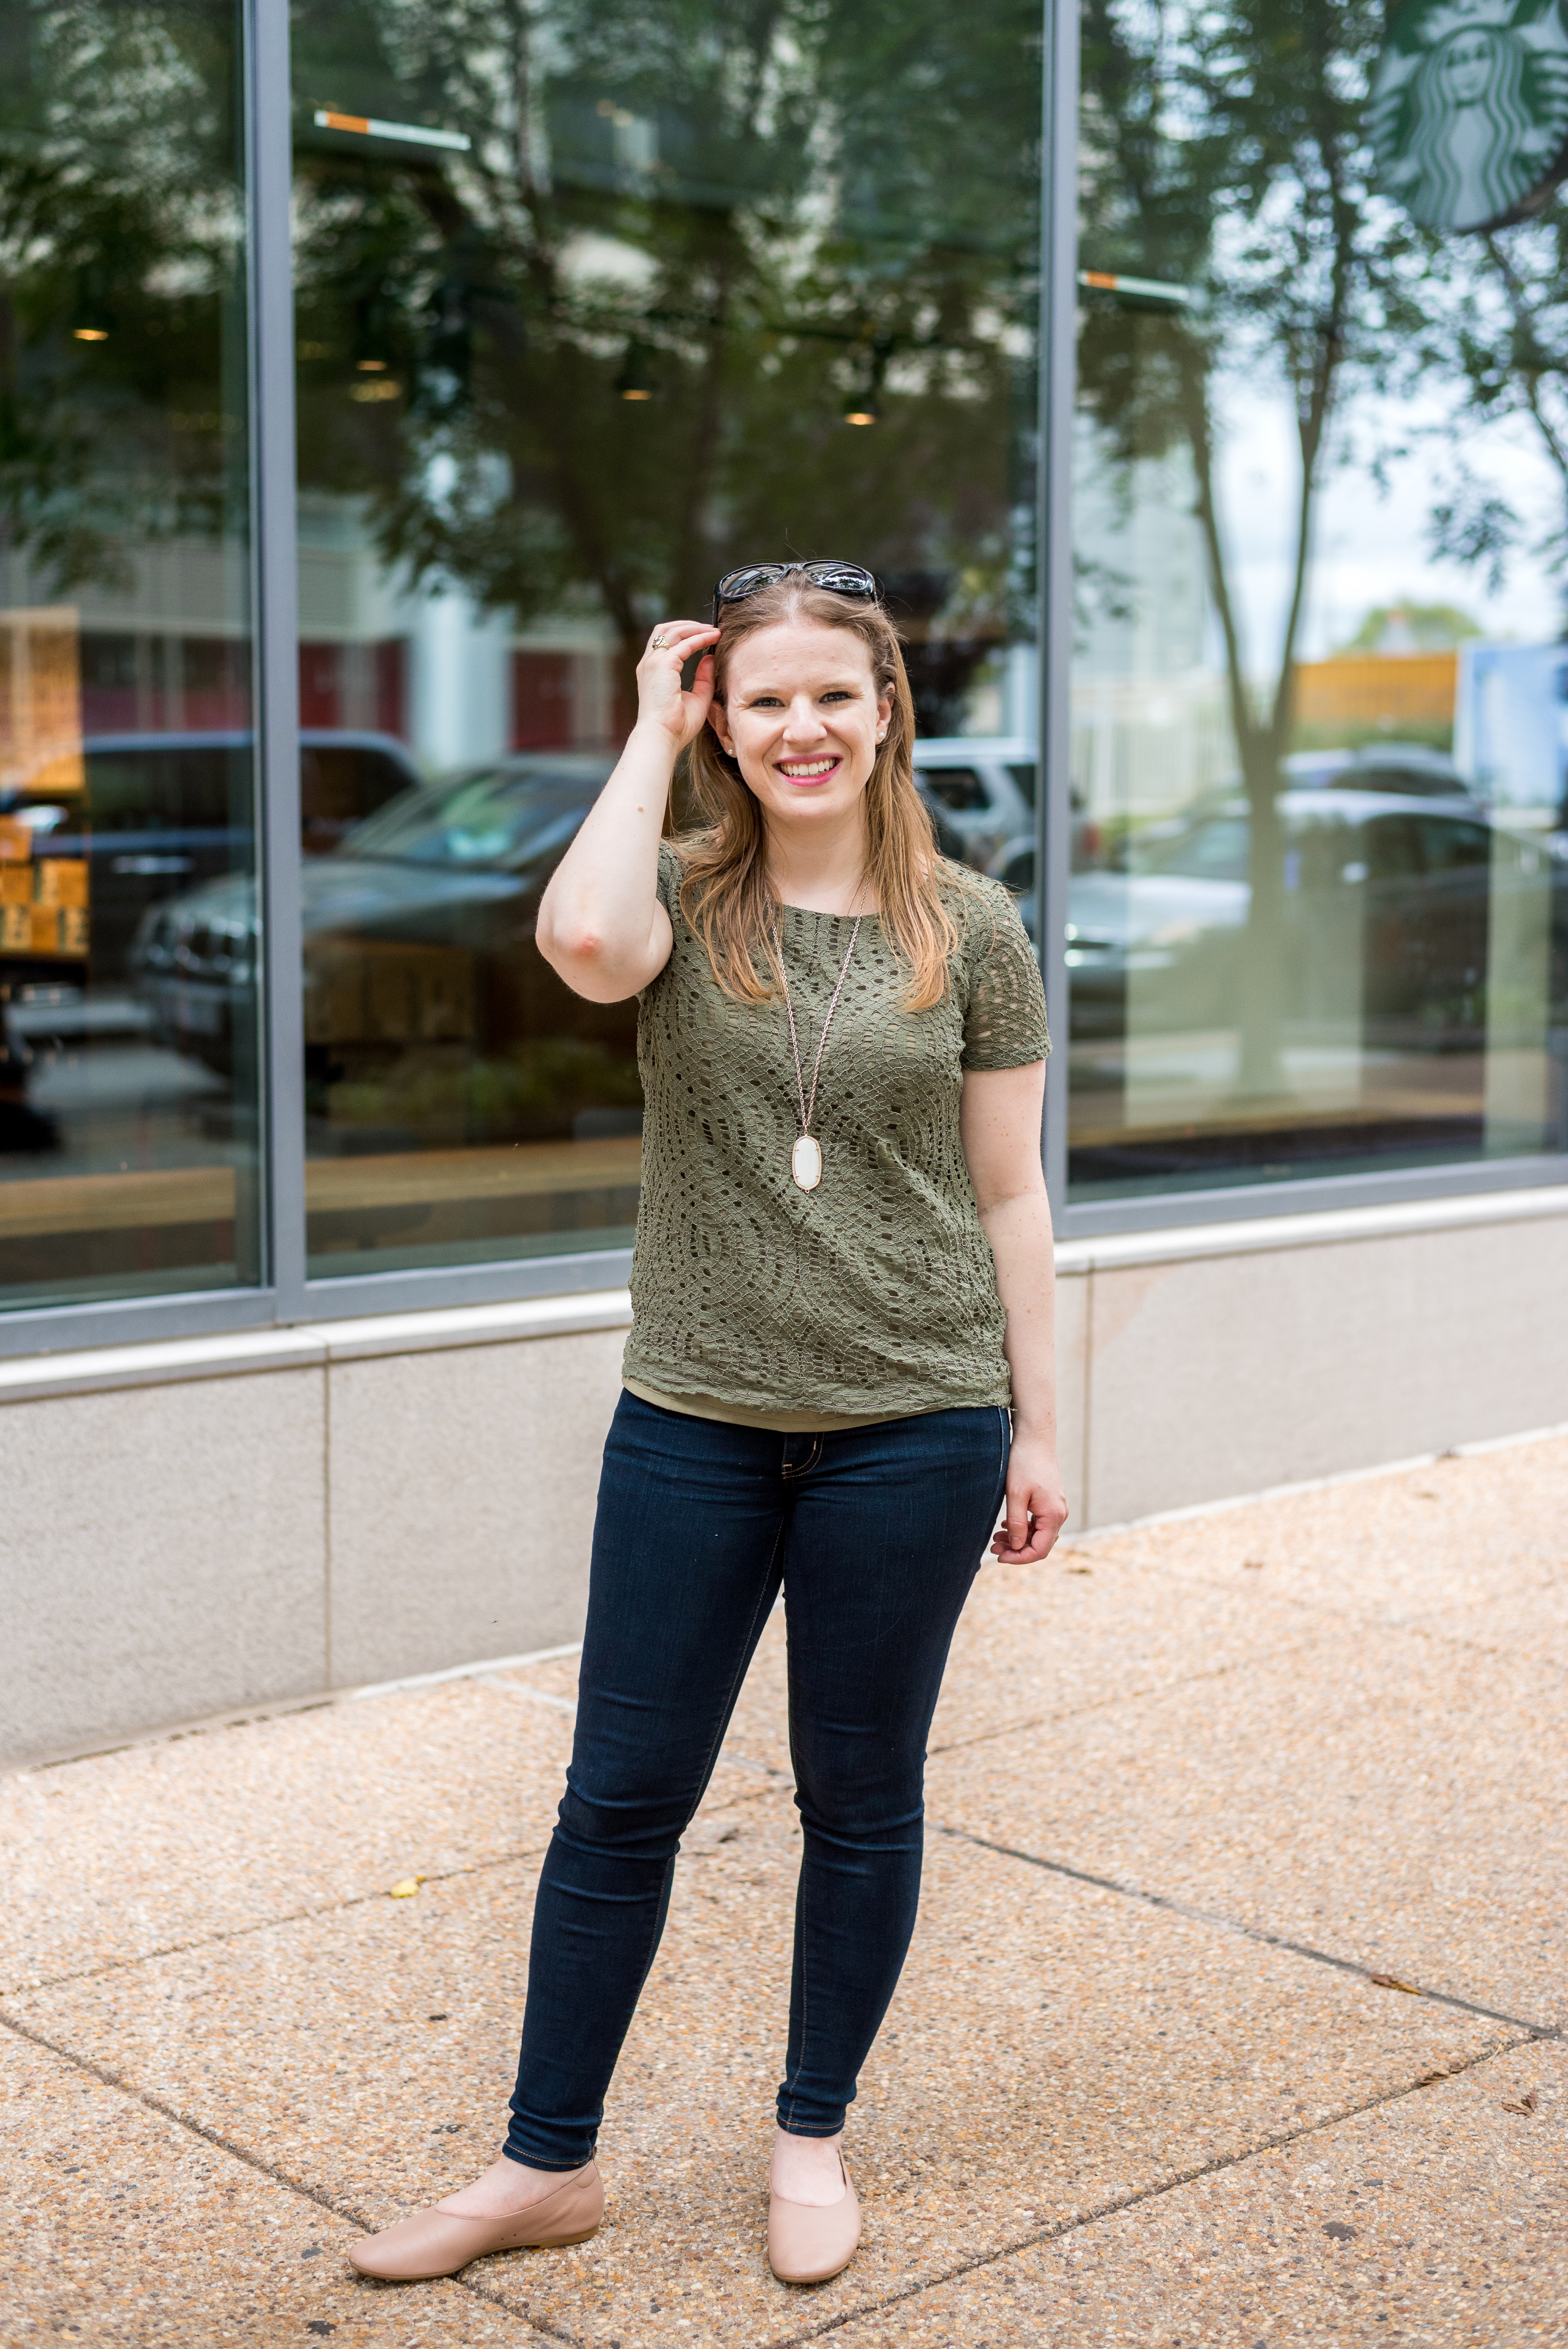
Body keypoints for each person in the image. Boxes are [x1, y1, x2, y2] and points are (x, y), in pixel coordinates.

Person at [348, 559, 1068, 2290]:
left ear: (886, 708)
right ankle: (545, 2161)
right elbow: (583, 951)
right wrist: (646, 733)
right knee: (618, 1799)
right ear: (723, 728)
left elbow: (1008, 1189)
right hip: (692, 1418)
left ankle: (808, 2134)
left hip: (914, 1419)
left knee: (860, 1796)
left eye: (834, 693)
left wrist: (1038, 1426)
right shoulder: (674, 885)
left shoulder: (969, 923)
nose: (801, 725)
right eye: (763, 701)